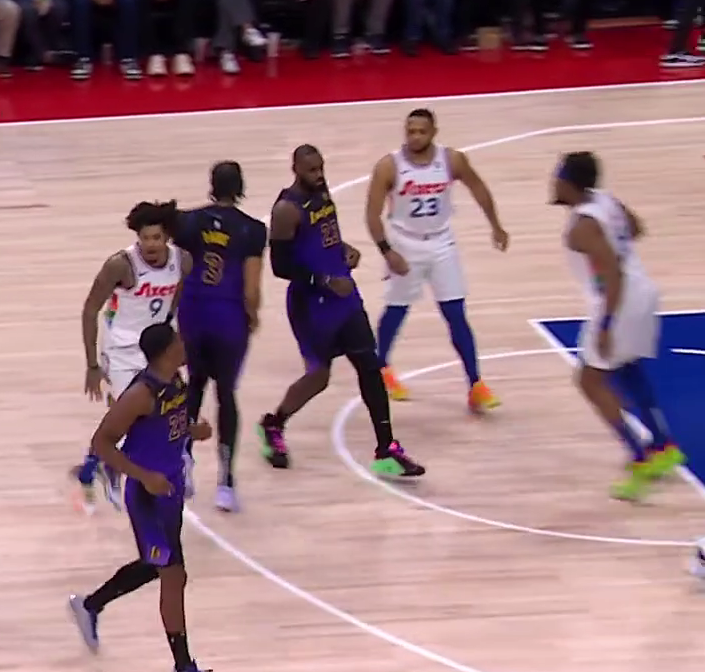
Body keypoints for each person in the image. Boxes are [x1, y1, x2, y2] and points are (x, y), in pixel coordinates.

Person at [67, 321, 229, 672]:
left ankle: (89, 605)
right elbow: (102, 443)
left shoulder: (176, 381)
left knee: (155, 565)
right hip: (148, 495)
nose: (184, 343)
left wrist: (192, 430)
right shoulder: (140, 394)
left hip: (170, 489)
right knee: (173, 575)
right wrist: (143, 476)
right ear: (166, 351)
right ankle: (182, 670)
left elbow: (168, 427)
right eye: (178, 341)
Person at [259, 145, 425, 479]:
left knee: (370, 367)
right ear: (295, 169)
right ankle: (273, 424)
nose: (319, 175)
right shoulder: (286, 210)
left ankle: (386, 448)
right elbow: (280, 266)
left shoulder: (323, 194)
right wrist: (323, 280)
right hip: (311, 305)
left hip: (344, 298)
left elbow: (323, 239)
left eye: (321, 168)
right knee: (319, 377)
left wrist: (345, 251)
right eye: (311, 170)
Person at [550, 152, 685, 501]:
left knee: (589, 380)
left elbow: (611, 272)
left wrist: (607, 324)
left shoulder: (582, 227)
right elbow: (636, 228)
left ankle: (640, 458)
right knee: (627, 368)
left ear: (569, 183)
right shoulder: (606, 200)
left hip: (619, 299)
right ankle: (664, 446)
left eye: (557, 177)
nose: (553, 183)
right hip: (643, 291)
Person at [365, 108, 509, 411]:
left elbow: (479, 188)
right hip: (405, 243)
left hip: (442, 242)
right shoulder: (389, 166)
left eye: (421, 131)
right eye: (410, 131)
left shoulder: (452, 160)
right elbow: (372, 214)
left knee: (455, 312)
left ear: (434, 132)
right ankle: (380, 367)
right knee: (397, 309)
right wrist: (387, 251)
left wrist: (496, 225)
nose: (415, 137)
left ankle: (475, 384)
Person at [77, 201, 190, 509]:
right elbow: (89, 310)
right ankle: (113, 470)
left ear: (166, 236)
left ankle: (94, 465)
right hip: (122, 348)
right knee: (129, 416)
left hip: (157, 349)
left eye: (156, 238)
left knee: (161, 412)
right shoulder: (120, 265)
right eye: (144, 238)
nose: (150, 244)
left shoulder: (182, 261)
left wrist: (179, 344)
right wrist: (92, 365)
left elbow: (177, 304)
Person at [173, 162, 267, 512]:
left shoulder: (188, 222)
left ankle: (183, 461)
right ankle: (226, 481)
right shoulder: (252, 229)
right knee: (226, 393)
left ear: (212, 185)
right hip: (228, 316)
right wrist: (252, 316)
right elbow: (251, 287)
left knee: (194, 385)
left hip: (194, 310)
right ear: (240, 186)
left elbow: (178, 269)